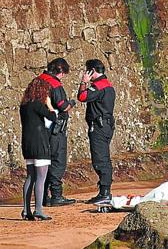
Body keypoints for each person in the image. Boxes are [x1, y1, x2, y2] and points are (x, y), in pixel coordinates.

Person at [78, 59, 116, 205]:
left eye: (87, 70)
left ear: (92, 71)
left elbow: (82, 97)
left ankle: (105, 192)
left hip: (99, 127)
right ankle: (104, 191)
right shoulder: (108, 86)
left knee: (101, 159)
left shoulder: (98, 87)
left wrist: (84, 82)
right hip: (106, 125)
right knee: (103, 157)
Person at [39, 58, 76, 206]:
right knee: (57, 160)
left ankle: (42, 196)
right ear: (60, 70)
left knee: (43, 160)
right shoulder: (54, 84)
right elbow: (63, 106)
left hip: (40, 127)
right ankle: (56, 195)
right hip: (55, 128)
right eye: (63, 73)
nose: (63, 77)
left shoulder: (38, 81)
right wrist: (71, 103)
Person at [19, 75, 56, 221]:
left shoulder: (24, 105)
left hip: (27, 144)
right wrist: (49, 105)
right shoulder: (38, 105)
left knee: (30, 177)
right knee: (41, 178)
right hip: (40, 143)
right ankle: (39, 210)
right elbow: (52, 117)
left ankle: (26, 210)